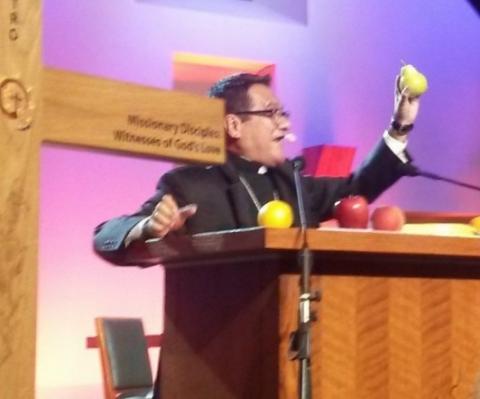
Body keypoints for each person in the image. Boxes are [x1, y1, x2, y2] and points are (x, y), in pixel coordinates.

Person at [94, 73, 420, 265]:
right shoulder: (189, 184)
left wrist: (400, 127)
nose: (285, 124)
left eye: (284, 114)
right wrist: (148, 229)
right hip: (215, 352)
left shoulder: (291, 181)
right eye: (272, 114)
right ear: (234, 124)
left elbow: (355, 191)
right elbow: (104, 236)